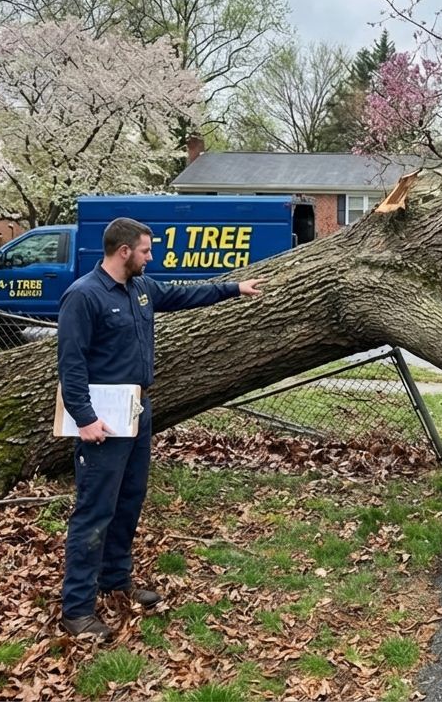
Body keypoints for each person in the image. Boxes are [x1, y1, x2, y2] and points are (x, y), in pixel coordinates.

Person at [57, 217, 264, 639]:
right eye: (147, 250)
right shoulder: (84, 296)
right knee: (94, 511)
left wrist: (234, 288)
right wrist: (85, 419)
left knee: (129, 500)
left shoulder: (141, 289)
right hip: (103, 417)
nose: (152, 257)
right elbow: (71, 364)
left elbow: (186, 294)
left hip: (137, 411)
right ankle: (76, 609)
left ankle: (115, 580)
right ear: (124, 252)